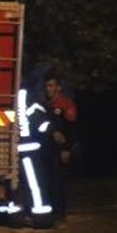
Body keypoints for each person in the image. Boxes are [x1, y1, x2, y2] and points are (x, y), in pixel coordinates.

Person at [42, 72, 78, 222]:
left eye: (51, 85)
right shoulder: (45, 105)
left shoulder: (66, 104)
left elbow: (72, 128)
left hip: (60, 149)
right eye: (46, 86)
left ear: (59, 88)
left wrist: (67, 149)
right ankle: (51, 212)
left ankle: (59, 213)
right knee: (48, 181)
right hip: (47, 149)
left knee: (59, 182)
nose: (48, 89)